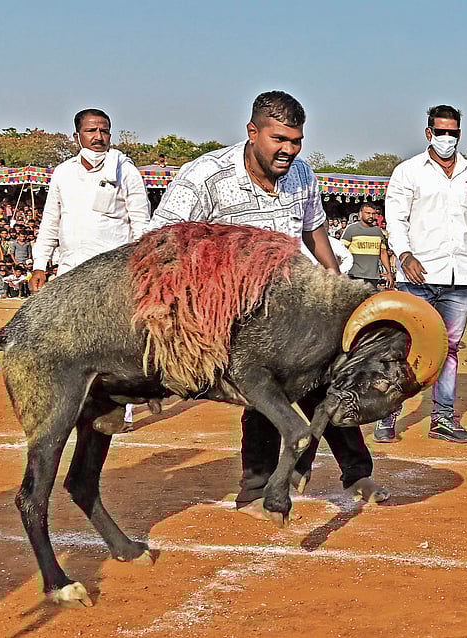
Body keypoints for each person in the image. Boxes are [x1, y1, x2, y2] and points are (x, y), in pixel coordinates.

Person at [148, 91, 386, 519]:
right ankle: (255, 489)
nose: (289, 150)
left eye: (296, 141)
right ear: (252, 132)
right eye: (279, 139)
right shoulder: (204, 176)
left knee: (329, 377)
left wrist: (335, 285)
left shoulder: (303, 174)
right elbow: (160, 242)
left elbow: (315, 230)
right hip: (233, 311)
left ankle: (356, 472)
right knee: (263, 392)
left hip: (293, 304)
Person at [378, 104, 467, 444]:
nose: (447, 138)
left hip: (459, 278)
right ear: (429, 133)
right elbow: (396, 220)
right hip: (417, 275)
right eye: (441, 132)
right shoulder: (408, 172)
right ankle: (388, 414)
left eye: (452, 133)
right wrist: (404, 254)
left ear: (459, 134)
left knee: (450, 348)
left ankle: (443, 420)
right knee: (405, 346)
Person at [31, 109, 148, 290]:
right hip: (70, 268)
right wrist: (39, 266)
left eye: (104, 131)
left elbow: (141, 223)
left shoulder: (126, 171)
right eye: (91, 131)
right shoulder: (63, 172)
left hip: (113, 272)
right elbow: (50, 222)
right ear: (76, 137)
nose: (98, 137)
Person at [340, 201, 394, 288]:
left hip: (373, 276)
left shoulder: (378, 231)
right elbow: (341, 251)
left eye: (373, 214)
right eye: (368, 213)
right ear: (360, 214)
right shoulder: (351, 229)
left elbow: (383, 252)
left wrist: (389, 273)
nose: (371, 216)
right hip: (354, 275)